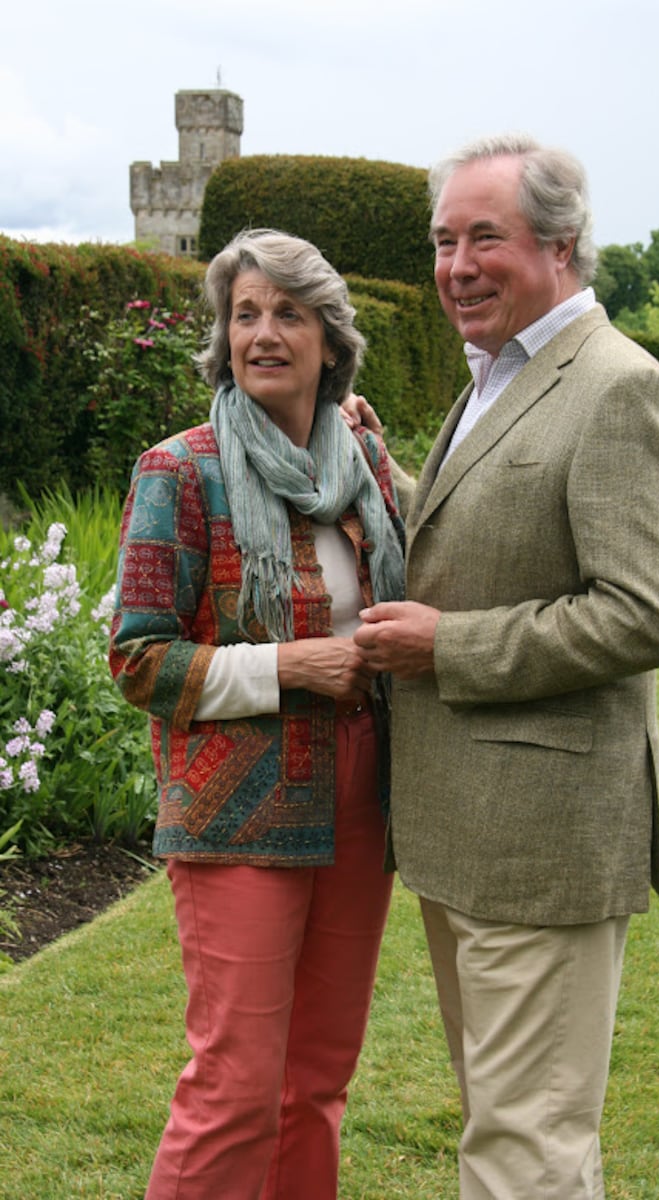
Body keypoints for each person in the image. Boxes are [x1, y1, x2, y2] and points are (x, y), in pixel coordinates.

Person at [352, 135, 659, 1198]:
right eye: (443, 240)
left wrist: (442, 646)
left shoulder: (613, 386)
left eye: (483, 237)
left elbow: (644, 615)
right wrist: (392, 477)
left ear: (559, 244)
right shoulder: (501, 375)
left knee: (524, 1150)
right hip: (469, 834)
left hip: (541, 846)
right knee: (517, 1132)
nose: (455, 264)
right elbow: (491, 536)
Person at [109, 228, 405, 1200]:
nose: (264, 333)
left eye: (289, 313)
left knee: (316, 1083)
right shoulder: (178, 472)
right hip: (236, 814)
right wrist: (287, 666)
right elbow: (138, 657)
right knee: (236, 1087)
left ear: (331, 339)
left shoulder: (357, 462)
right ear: (223, 337)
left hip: (360, 803)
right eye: (246, 314)